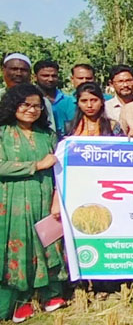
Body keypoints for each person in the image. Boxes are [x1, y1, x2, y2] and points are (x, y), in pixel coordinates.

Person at [0, 84, 67, 322]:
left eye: (37, 105)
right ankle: (20, 301)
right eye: (25, 104)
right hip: (11, 204)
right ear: (13, 105)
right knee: (17, 249)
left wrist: (56, 199)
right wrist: (36, 166)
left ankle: (50, 294)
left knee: (48, 245)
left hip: (45, 199)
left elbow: (60, 171)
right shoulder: (3, 133)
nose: (31, 110)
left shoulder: (47, 136)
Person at [1, 53, 55, 131]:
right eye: (14, 69)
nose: (18, 73)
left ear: (30, 74)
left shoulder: (42, 102)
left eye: (23, 70)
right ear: (4, 70)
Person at [33, 60, 75, 137]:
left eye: (54, 76)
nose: (50, 79)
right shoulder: (29, 101)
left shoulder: (68, 101)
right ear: (35, 77)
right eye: (45, 76)